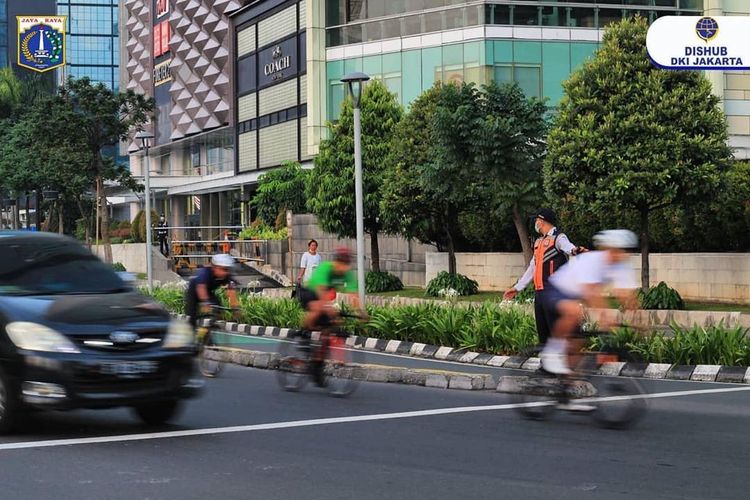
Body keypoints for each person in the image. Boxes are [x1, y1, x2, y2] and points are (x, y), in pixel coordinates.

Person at [539, 229, 640, 376]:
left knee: (578, 342)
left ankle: (566, 384)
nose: (621, 254)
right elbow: (592, 293)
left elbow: (626, 294)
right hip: (557, 289)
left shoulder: (622, 266)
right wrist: (604, 316)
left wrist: (637, 319)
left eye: (625, 251)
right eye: (617, 250)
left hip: (575, 297)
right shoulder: (592, 260)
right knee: (575, 311)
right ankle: (551, 353)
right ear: (608, 249)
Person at [503, 208, 586, 346]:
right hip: (540, 293)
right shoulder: (538, 242)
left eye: (537, 220)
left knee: (556, 331)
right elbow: (532, 268)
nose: (535, 222)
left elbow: (568, 248)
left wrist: (575, 250)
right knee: (543, 332)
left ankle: (560, 363)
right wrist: (517, 288)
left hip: (553, 293)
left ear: (542, 221)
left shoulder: (558, 238)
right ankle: (547, 365)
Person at [184, 254, 240, 329]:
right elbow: (201, 288)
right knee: (192, 317)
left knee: (217, 306)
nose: (225, 272)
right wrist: (205, 303)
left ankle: (210, 329)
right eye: (223, 269)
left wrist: (235, 307)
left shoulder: (226, 276)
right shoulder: (205, 272)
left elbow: (231, 292)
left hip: (208, 292)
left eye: (227, 269)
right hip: (194, 292)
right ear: (215, 268)